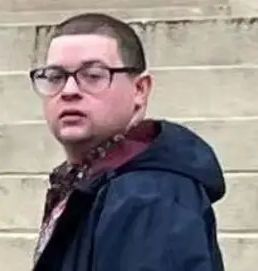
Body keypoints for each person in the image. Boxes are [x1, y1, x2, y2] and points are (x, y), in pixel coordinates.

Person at [28, 12, 226, 271]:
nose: (69, 91)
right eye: (55, 76)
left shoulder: (150, 193)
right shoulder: (89, 181)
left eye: (93, 75)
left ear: (140, 90)